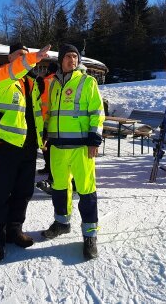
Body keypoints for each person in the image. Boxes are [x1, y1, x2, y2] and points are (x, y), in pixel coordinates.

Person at [0, 42, 51, 262]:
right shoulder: (1, 76)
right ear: (9, 58)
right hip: (6, 145)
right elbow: (17, 68)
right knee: (1, 193)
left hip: (29, 146)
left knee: (23, 192)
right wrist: (33, 57)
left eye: (26, 54)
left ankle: (14, 230)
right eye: (19, 55)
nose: (24, 57)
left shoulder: (32, 82)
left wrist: (42, 135)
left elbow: (36, 114)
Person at [41, 43, 105, 260]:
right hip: (57, 147)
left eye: (75, 57)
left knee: (86, 190)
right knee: (59, 187)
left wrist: (94, 139)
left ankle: (90, 235)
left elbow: (97, 112)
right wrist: (45, 132)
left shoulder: (88, 82)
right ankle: (62, 223)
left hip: (81, 147)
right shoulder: (54, 84)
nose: (72, 60)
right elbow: (51, 112)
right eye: (68, 56)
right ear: (61, 60)